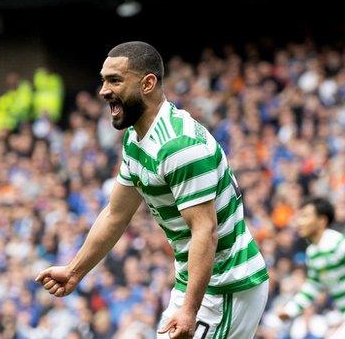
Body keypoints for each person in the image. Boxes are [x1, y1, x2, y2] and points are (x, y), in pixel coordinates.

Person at [36, 41, 269, 339]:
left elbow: (205, 231)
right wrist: (74, 270)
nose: (103, 90)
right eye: (103, 79)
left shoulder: (178, 146)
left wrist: (189, 310)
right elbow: (115, 214)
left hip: (226, 286)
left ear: (148, 83)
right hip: (196, 284)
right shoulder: (136, 139)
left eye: (115, 80)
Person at [277, 197, 345, 338]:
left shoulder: (337, 244)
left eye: (305, 216)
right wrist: (289, 310)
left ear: (322, 221)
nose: (299, 222)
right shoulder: (313, 252)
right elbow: (313, 286)